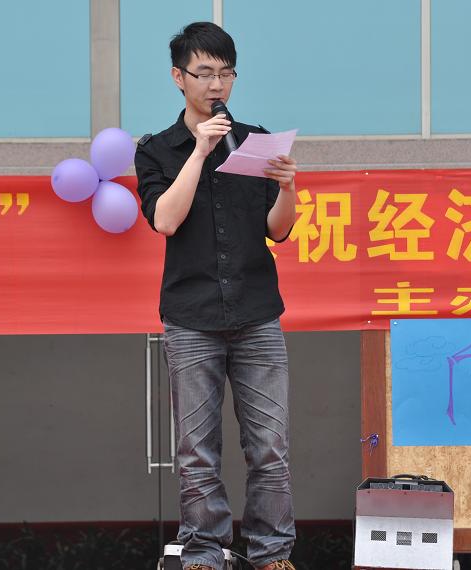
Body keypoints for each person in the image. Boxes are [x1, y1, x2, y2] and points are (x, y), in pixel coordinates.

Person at [134, 21, 299, 570]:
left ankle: (272, 554)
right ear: (178, 77)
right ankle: (204, 552)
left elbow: (278, 230)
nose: (216, 85)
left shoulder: (254, 140)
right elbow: (164, 219)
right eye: (204, 73)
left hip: (257, 313)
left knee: (270, 446)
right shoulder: (157, 150)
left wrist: (288, 188)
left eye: (226, 73)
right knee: (197, 450)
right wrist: (200, 152)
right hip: (192, 318)